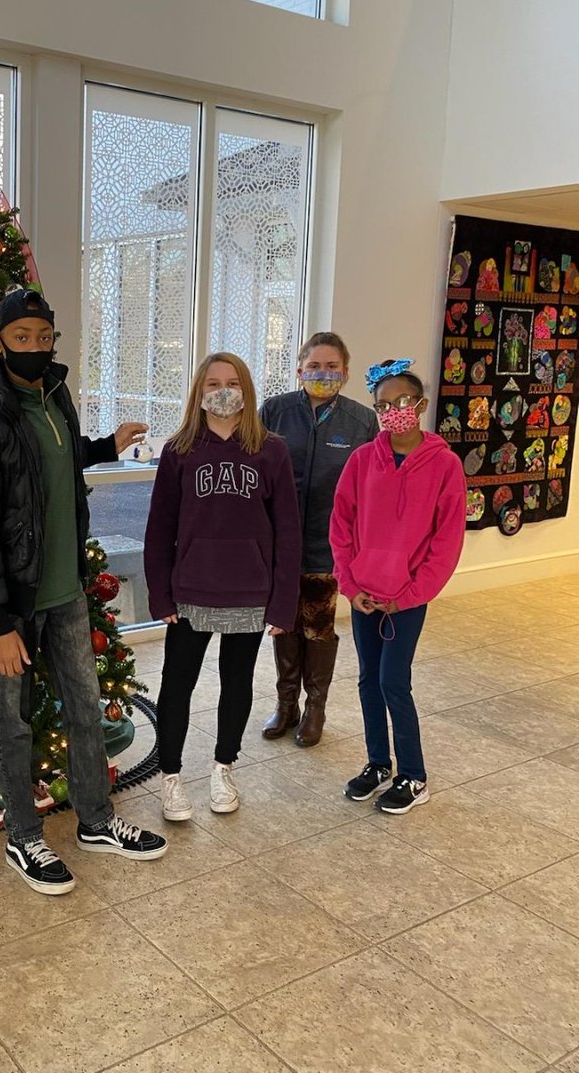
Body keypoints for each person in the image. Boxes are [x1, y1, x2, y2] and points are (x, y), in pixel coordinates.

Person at [0, 288, 168, 896]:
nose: (35, 348)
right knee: (12, 722)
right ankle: (23, 836)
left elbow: (56, 466)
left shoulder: (57, 399)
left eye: (44, 338)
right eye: (22, 338)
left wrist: (104, 447)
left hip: (66, 593)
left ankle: (96, 822)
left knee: (86, 709)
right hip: (14, 605)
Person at [144, 353, 301, 822]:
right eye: (213, 382)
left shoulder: (272, 450)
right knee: (177, 685)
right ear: (198, 392)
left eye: (233, 382)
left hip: (251, 591)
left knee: (238, 683)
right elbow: (159, 529)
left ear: (247, 390)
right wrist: (160, 594)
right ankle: (170, 776)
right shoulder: (179, 451)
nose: (223, 390)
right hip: (191, 590)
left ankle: (223, 766)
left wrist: (283, 603)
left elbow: (288, 532)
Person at [329, 359, 466, 814]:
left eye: (402, 402)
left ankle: (414, 774)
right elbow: (341, 527)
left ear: (421, 405)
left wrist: (408, 594)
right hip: (365, 597)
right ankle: (377, 763)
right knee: (369, 680)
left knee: (393, 681)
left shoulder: (444, 466)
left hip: (406, 599)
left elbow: (445, 543)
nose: (393, 411)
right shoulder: (362, 460)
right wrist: (350, 585)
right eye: (383, 405)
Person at [258, 332, 378, 747]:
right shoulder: (274, 411)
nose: (322, 373)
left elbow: (371, 489)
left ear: (345, 372)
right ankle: (286, 704)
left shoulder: (362, 421)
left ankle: (316, 709)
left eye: (331, 367)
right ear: (299, 369)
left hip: (329, 548)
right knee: (284, 624)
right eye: (314, 366)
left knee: (318, 627)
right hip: (279, 546)